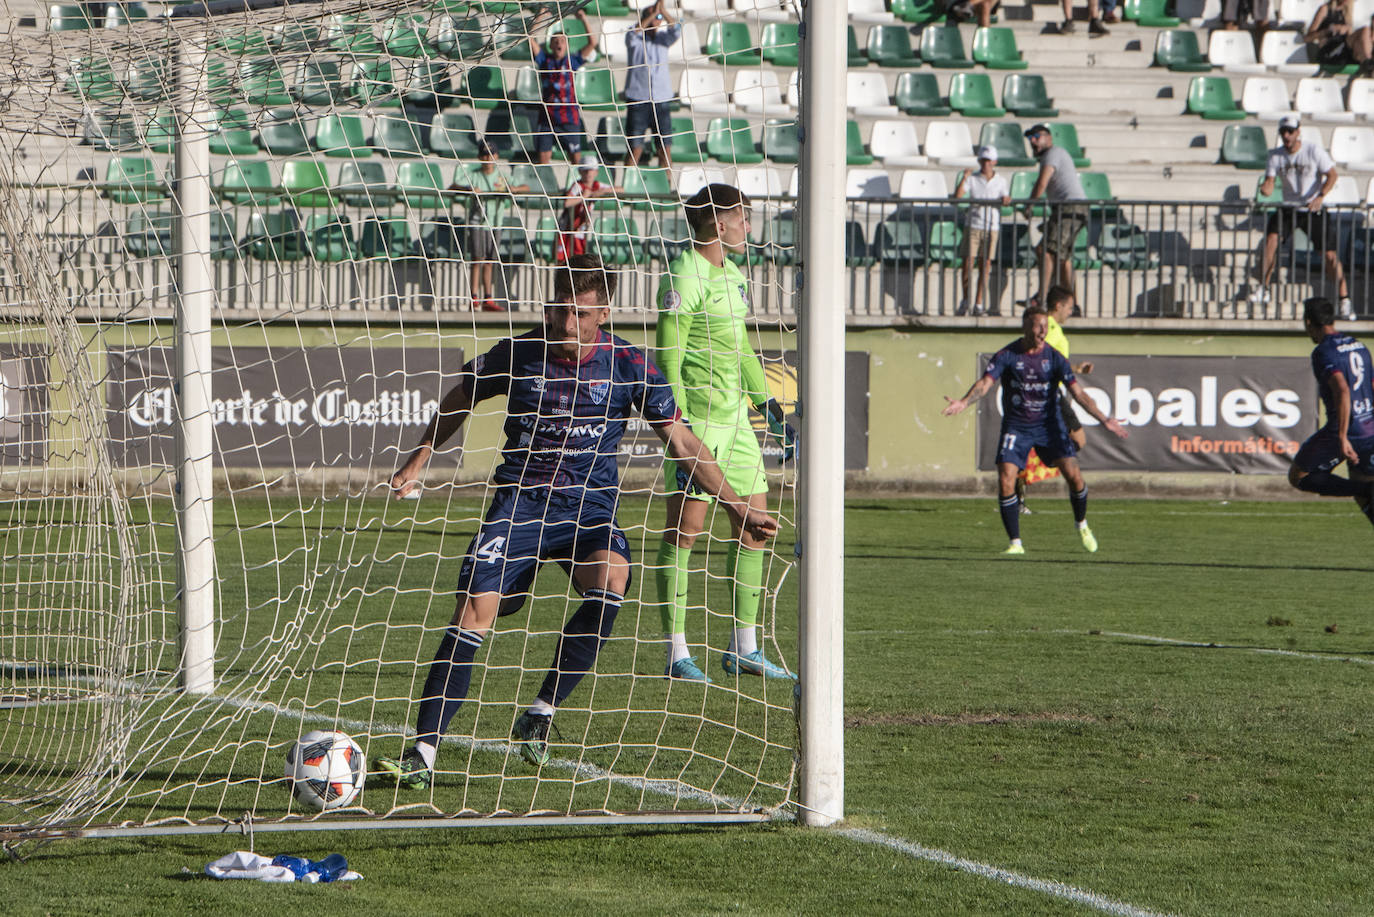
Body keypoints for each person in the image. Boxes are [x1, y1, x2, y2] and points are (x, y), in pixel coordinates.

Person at [376, 254, 778, 787]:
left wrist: (736, 505)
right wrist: (420, 456)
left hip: (588, 510)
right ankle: (422, 753)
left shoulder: (628, 364)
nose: (568, 325)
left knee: (611, 581)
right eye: (560, 311)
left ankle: (541, 713)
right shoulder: (519, 352)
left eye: (581, 315)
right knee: (475, 611)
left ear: (603, 314)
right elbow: (463, 394)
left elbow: (682, 442)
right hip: (520, 504)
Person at [654, 184, 796, 683]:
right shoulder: (684, 275)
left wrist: (769, 407)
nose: (749, 228)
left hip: (738, 423)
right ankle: (676, 653)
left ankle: (744, 648)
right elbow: (668, 353)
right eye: (745, 218)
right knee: (685, 532)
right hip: (700, 424)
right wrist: (676, 420)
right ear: (719, 222)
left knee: (755, 527)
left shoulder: (734, 276)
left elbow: (740, 351)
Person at [942, 305, 1128, 554]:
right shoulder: (1008, 354)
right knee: (1006, 478)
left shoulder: (1053, 358)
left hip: (1049, 425)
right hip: (1016, 426)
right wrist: (964, 401)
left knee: (1074, 476)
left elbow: (1079, 393)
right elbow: (986, 383)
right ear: (1025, 326)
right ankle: (1015, 544)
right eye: (1038, 325)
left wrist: (1104, 419)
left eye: (1046, 327)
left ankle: (1082, 524)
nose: (1043, 331)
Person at [1250, 115, 1353, 319]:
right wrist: (1266, 188)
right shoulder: (1275, 155)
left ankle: (1344, 299)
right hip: (1288, 208)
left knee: (1329, 255)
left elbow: (1332, 174)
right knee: (1271, 241)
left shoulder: (1312, 151)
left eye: (1290, 131)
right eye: (1283, 132)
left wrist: (1320, 196)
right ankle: (1264, 287)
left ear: (1298, 132)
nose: (1287, 136)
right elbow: (1269, 181)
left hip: (1311, 208)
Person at [1288, 296, 1374, 527]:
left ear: (1308, 322)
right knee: (1363, 495)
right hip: (1370, 428)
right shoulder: (1359, 346)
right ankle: (1367, 488)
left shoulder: (1323, 352)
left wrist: (1343, 436)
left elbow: (1342, 390)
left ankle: (1367, 488)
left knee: (1299, 476)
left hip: (1345, 430)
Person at [1016, 285, 1094, 513]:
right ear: (1058, 306)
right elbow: (1038, 357)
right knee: (1077, 441)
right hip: (1047, 394)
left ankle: (1025, 476)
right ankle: (1021, 481)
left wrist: (1076, 368)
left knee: (1074, 442)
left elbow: (1053, 361)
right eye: (1070, 307)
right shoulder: (1047, 326)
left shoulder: (1055, 329)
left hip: (1055, 392)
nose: (1071, 311)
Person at [450, 141, 529, 312]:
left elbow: (526, 187)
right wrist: (468, 189)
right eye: (485, 154)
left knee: (490, 261)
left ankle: (488, 297)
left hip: (495, 223)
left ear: (497, 156)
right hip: (478, 223)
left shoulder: (501, 176)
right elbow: (453, 186)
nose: (488, 158)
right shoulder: (474, 175)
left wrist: (513, 188)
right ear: (479, 157)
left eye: (491, 154)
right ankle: (474, 297)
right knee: (477, 259)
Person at [1023, 123, 1089, 304]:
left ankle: (1042, 298)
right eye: (1030, 139)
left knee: (1044, 250)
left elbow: (1042, 182)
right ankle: (1070, 304)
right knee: (1062, 258)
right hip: (1070, 208)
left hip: (1069, 208)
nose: (1033, 141)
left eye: (1037, 136)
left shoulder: (1053, 154)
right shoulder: (1054, 155)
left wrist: (1029, 205)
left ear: (1049, 137)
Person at [529, 9, 598, 165]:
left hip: (569, 116)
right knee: (542, 161)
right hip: (548, 117)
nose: (559, 43)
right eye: (556, 40)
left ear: (567, 45)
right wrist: (540, 16)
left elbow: (593, 42)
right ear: (551, 45)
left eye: (562, 40)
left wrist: (583, 18)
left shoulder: (572, 61)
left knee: (576, 160)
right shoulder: (544, 60)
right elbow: (529, 38)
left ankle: (576, 187)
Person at [952, 145, 1011, 317]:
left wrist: (1006, 200)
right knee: (967, 264)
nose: (986, 164)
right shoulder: (972, 179)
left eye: (989, 161)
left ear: (994, 162)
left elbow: (1005, 198)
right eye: (983, 160)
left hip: (991, 227)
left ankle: (978, 303)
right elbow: (958, 196)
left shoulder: (1001, 181)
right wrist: (964, 178)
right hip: (974, 224)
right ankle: (965, 300)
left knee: (985, 266)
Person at [624, 0, 680, 169]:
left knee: (665, 149)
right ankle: (628, 185)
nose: (656, 19)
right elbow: (634, 31)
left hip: (661, 100)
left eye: (659, 17)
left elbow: (676, 29)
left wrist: (662, 11)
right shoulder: (635, 37)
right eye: (651, 16)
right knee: (635, 149)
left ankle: (667, 186)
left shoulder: (664, 38)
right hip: (638, 99)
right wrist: (653, 15)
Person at [556, 153, 622, 263]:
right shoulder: (578, 186)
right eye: (585, 170)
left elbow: (621, 189)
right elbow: (567, 203)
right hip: (569, 228)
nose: (588, 173)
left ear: (596, 172)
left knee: (579, 258)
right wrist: (583, 197)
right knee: (566, 259)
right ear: (580, 172)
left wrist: (602, 191)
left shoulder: (596, 186)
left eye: (591, 170)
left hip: (582, 228)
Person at [1306, 0, 1372, 70]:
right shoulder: (1325, 9)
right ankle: (1368, 62)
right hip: (1329, 50)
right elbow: (1307, 38)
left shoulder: (1346, 12)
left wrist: (1347, 30)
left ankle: (1367, 61)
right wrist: (1329, 30)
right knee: (1365, 31)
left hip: (1343, 49)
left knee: (1365, 32)